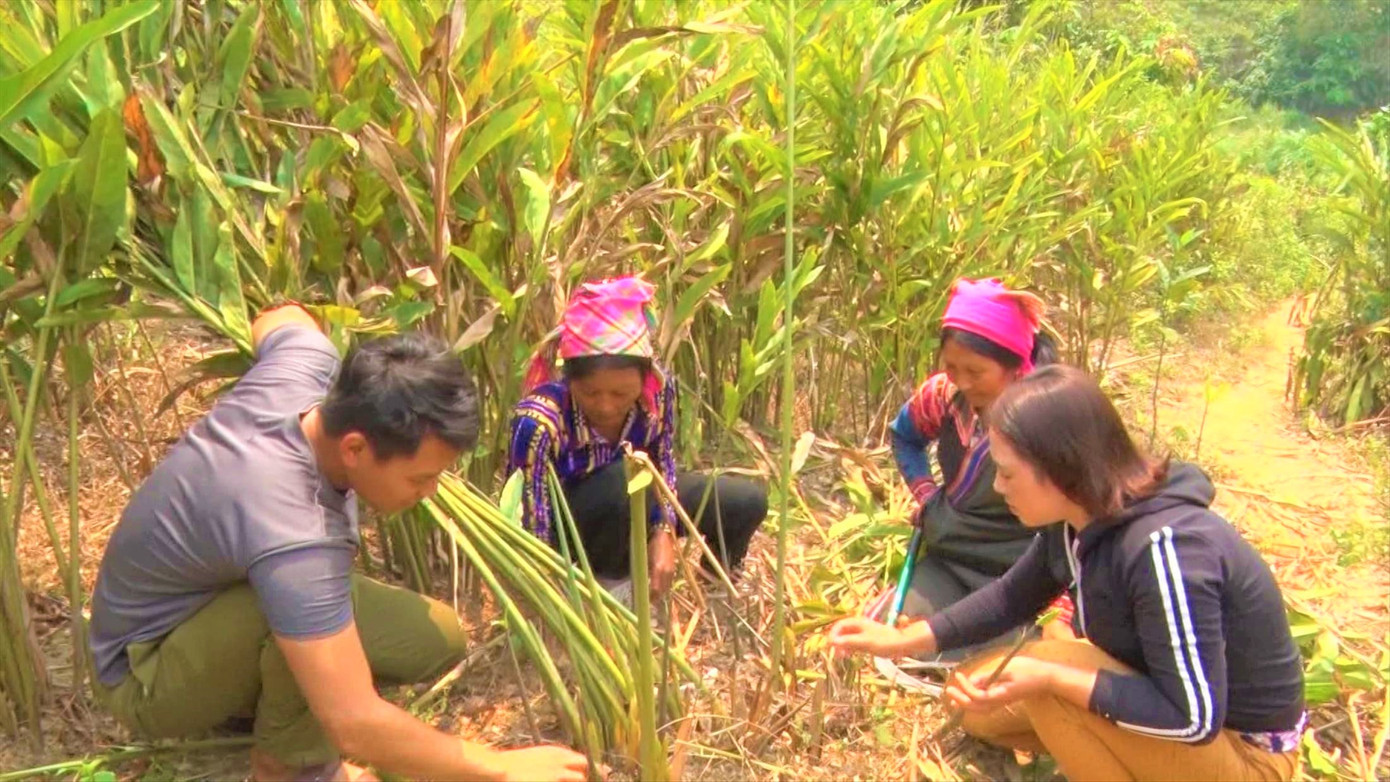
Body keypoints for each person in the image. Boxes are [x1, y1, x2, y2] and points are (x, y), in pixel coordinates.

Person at [90, 303, 593, 782]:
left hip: (214, 611)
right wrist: (502, 768)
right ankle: (290, 768)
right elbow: (353, 722)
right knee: (306, 611)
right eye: (420, 479)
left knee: (437, 640)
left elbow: (281, 316)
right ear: (354, 448)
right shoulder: (296, 532)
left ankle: (259, 695)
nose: (429, 493)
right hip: (144, 674)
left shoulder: (311, 372)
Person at [831, 365, 1305, 782]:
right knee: (972, 701)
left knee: (1051, 679)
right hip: (1183, 722)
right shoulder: (1078, 521)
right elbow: (1009, 599)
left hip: (1240, 753)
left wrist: (1053, 681)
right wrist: (897, 641)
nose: (998, 487)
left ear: (1061, 470)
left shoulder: (1166, 551)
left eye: (1008, 474)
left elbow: (1195, 718)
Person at [508, 276, 767, 598]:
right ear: (569, 381)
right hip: (573, 530)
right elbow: (531, 520)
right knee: (623, 481)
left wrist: (664, 530)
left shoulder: (658, 393)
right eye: (590, 393)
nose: (606, 406)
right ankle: (614, 594)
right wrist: (546, 589)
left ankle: (714, 592)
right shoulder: (539, 420)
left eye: (621, 393)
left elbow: (663, 464)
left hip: (638, 503)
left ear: (644, 379)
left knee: (744, 501)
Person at [888, 278, 1066, 656]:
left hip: (1025, 571)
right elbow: (904, 436)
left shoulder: (1049, 416)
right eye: (952, 366)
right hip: (952, 554)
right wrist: (925, 495)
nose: (962, 381)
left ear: (1015, 364)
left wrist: (1064, 605)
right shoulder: (943, 396)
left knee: (1021, 660)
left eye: (976, 371)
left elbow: (1078, 520)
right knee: (890, 637)